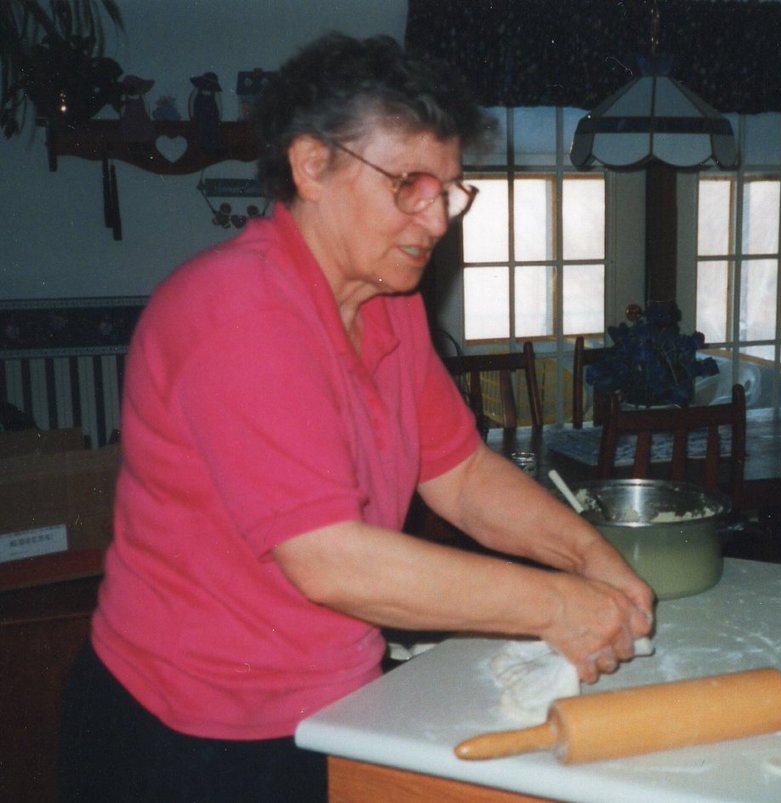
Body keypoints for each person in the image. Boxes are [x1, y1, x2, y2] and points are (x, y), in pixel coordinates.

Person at [59, 33, 653, 803]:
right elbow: (332, 560)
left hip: (330, 700)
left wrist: (585, 553)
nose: (437, 220)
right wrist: (556, 604)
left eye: (449, 189)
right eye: (410, 183)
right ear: (312, 165)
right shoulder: (237, 310)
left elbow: (462, 474)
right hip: (185, 733)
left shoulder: (389, 304)